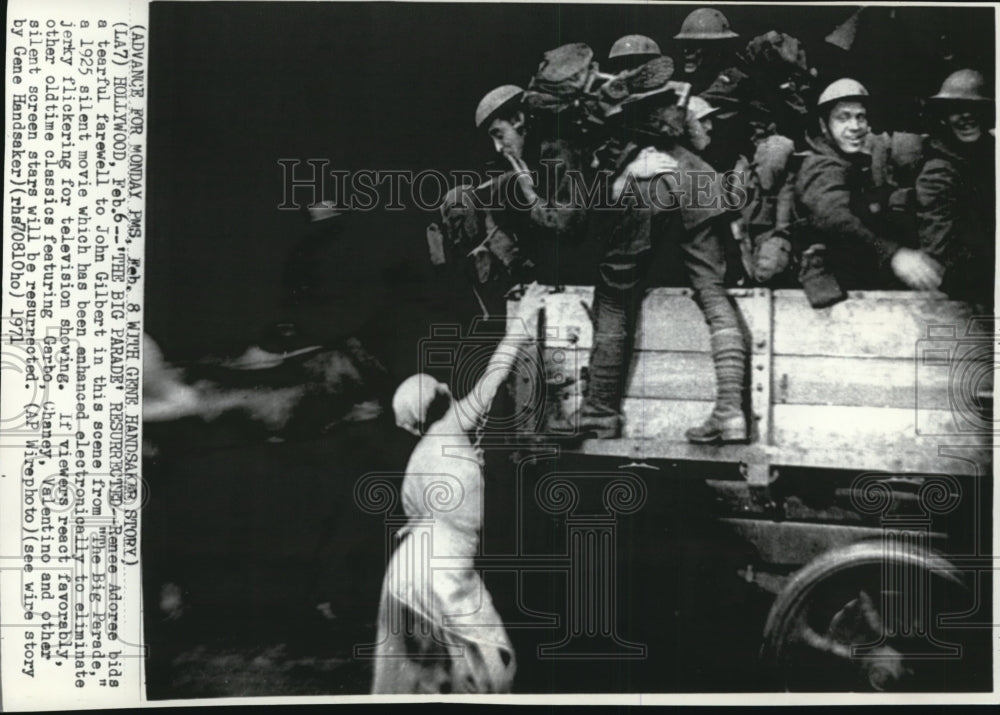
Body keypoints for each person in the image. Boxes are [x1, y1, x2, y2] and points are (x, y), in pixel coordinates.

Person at [549, 74, 749, 445]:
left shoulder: (610, 109)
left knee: (613, 295)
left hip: (648, 184)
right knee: (713, 293)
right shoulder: (669, 95)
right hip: (696, 177)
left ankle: (599, 413)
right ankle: (730, 411)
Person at [371, 283, 548, 694]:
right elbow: (492, 381)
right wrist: (523, 318)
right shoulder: (449, 428)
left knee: (429, 679)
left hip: (405, 572)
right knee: (492, 668)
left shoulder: (419, 458)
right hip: (441, 574)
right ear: (445, 396)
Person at [794, 78, 941, 301]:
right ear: (824, 126)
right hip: (833, 289)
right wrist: (893, 254)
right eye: (843, 118)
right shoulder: (822, 165)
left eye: (860, 117)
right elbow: (834, 217)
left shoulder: (854, 162)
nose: (855, 126)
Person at [915, 69, 995, 304]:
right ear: (944, 116)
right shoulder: (939, 169)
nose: (966, 117)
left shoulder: (988, 154)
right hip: (967, 292)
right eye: (956, 110)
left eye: (975, 109)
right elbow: (938, 252)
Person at [673, 8, 740, 94]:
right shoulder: (698, 80)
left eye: (693, 45)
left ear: (716, 48)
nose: (686, 51)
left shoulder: (734, 83)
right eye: (684, 44)